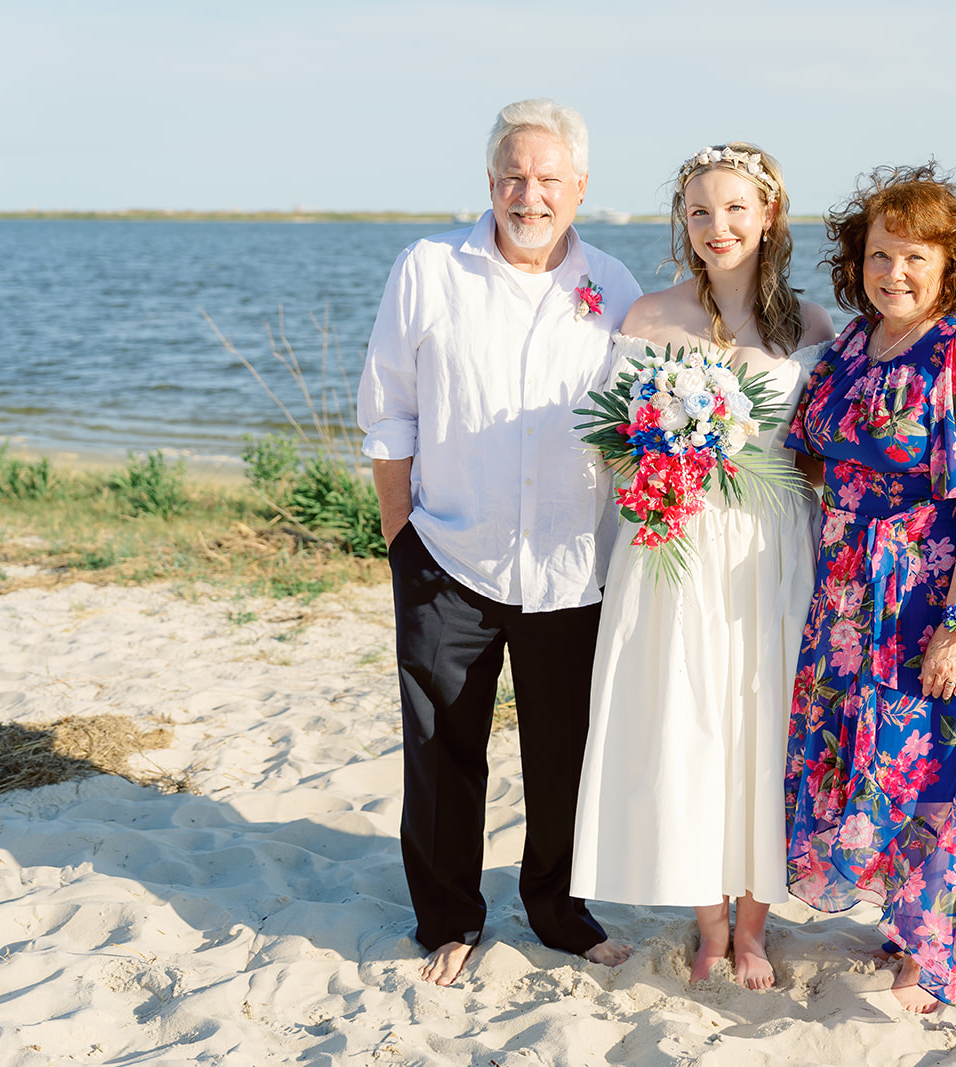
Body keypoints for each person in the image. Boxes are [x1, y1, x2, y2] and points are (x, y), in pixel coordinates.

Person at [357, 98, 642, 986]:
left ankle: (558, 909)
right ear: (490, 181)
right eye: (514, 176)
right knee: (443, 747)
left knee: (565, 750)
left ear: (580, 188)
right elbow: (388, 406)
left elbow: (640, 430)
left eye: (548, 178)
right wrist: (403, 536)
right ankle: (449, 916)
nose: (530, 194)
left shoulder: (618, 290)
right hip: (448, 552)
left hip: (571, 565)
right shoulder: (428, 268)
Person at [782, 163, 956, 1013]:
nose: (892, 272)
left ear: (949, 264)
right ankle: (905, 922)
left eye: (913, 257)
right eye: (878, 254)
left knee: (935, 763)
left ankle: (928, 958)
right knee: (875, 757)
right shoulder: (855, 344)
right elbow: (810, 452)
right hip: (855, 597)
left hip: (937, 598)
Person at [570, 143, 834, 989]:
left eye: (732, 209)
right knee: (691, 725)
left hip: (772, 546)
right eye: (698, 212)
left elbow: (827, 456)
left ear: (768, 216)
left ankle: (754, 926)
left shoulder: (816, 326)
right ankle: (709, 923)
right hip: (675, 544)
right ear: (683, 224)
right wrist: (663, 460)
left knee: (764, 723)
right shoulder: (647, 318)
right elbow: (612, 447)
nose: (716, 227)